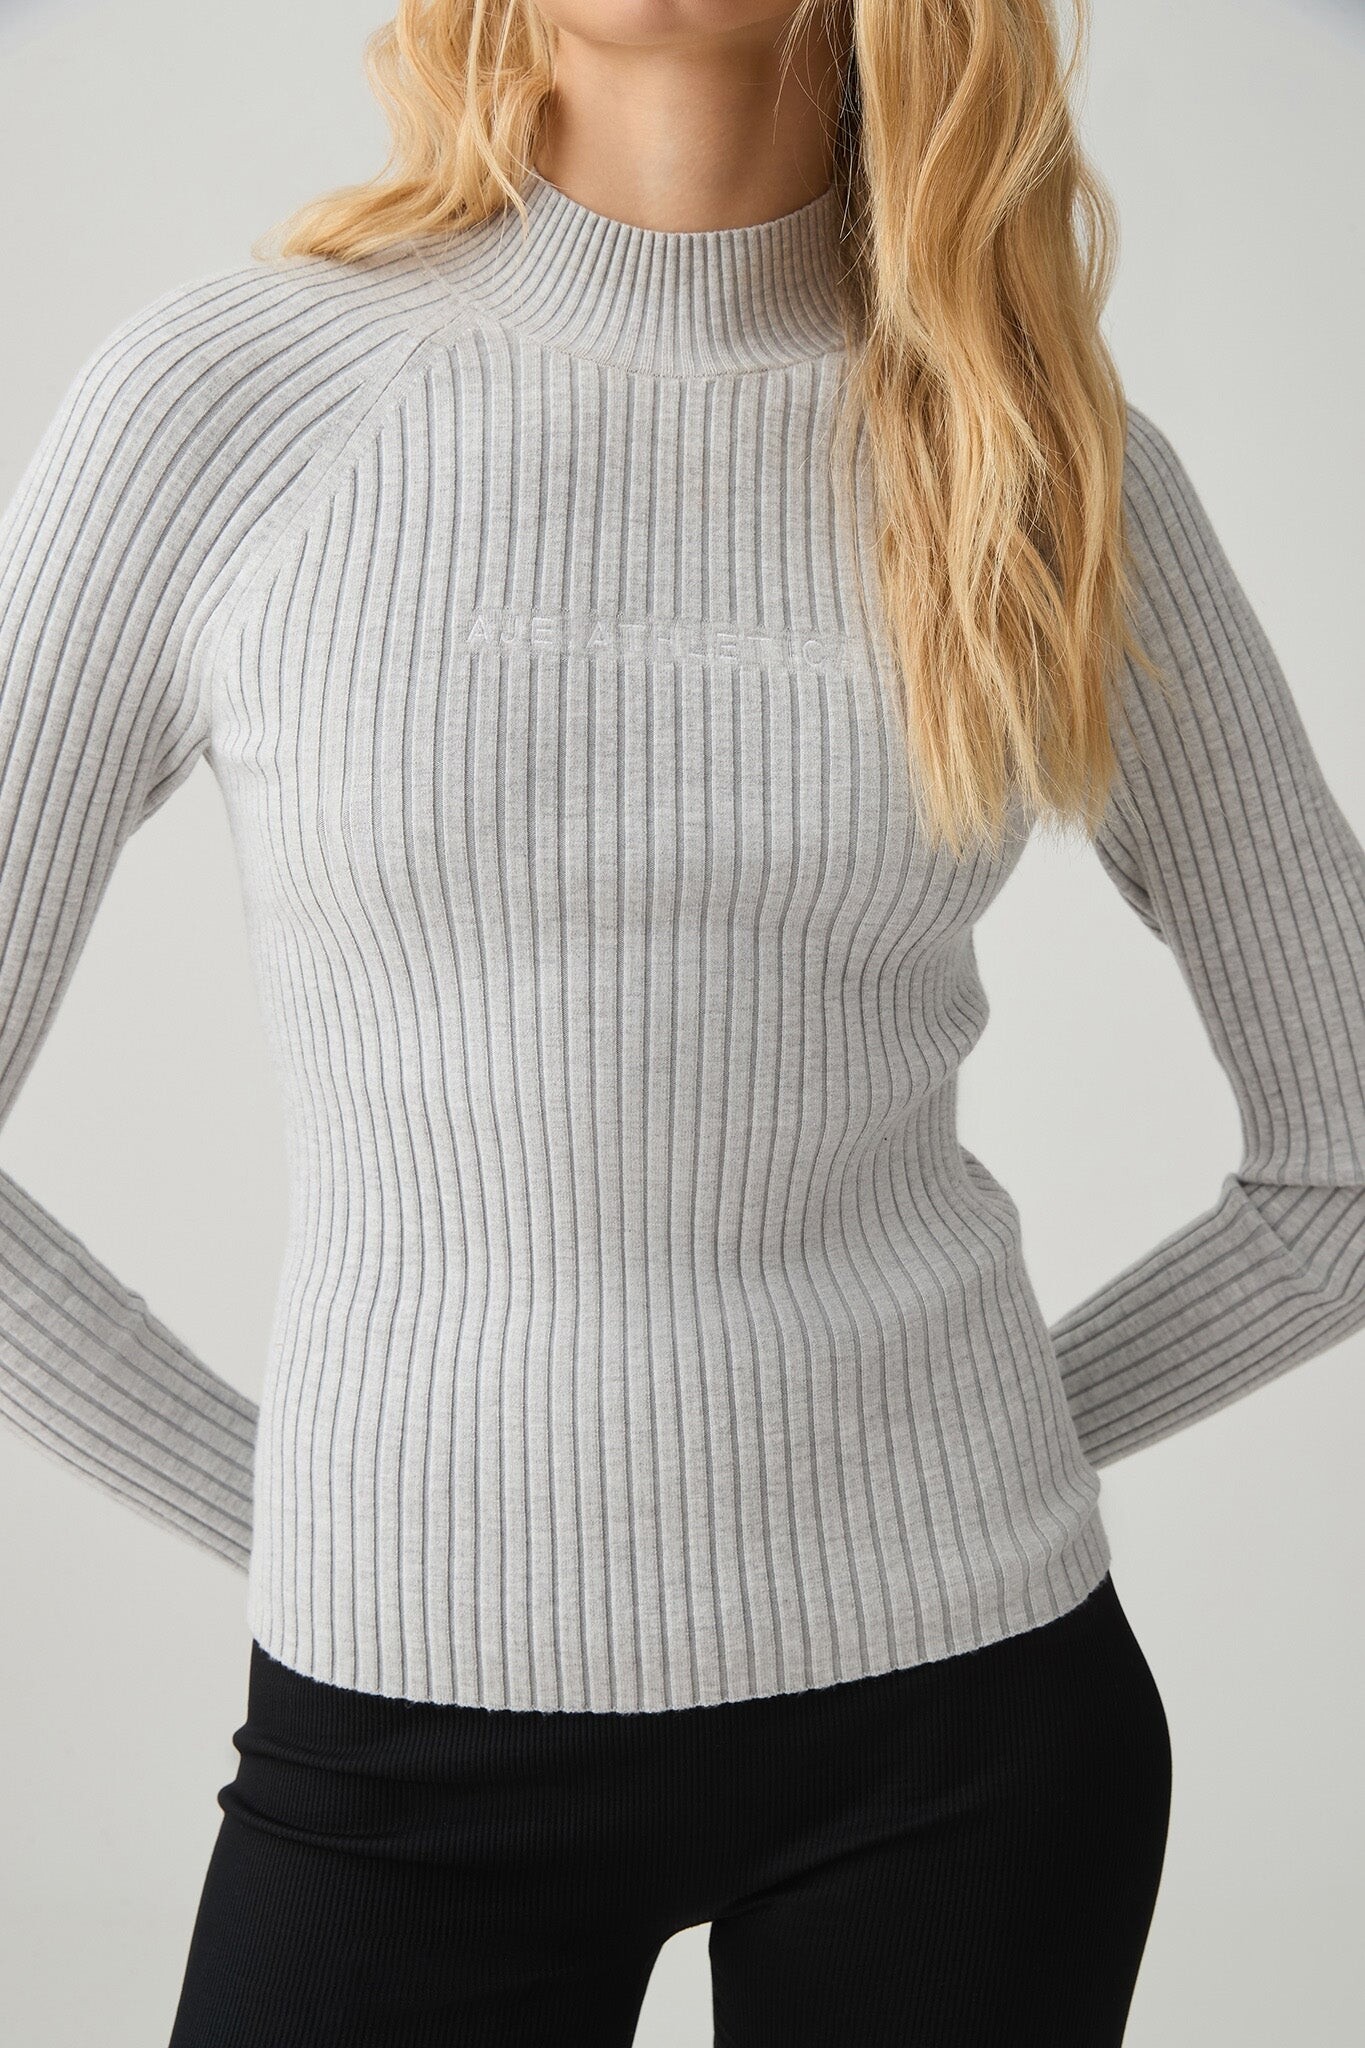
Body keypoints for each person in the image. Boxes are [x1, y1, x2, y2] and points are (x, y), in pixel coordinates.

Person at [1, 2, 1362, 2042]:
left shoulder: (1031, 458)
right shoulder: (231, 401)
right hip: (399, 1729)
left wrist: (940, 1458)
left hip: (967, 1736)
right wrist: (304, 1517)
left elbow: (1343, 1155)